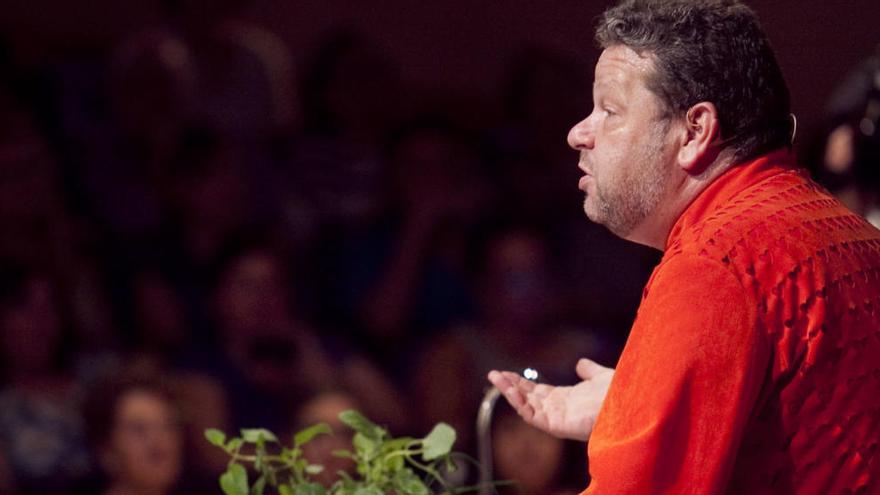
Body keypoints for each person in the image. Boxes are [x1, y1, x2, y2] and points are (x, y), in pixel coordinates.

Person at [487, 1, 880, 493]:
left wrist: (642, 429)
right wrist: (636, 410)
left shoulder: (713, 263)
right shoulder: (855, 236)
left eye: (609, 110)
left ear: (694, 131)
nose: (577, 133)